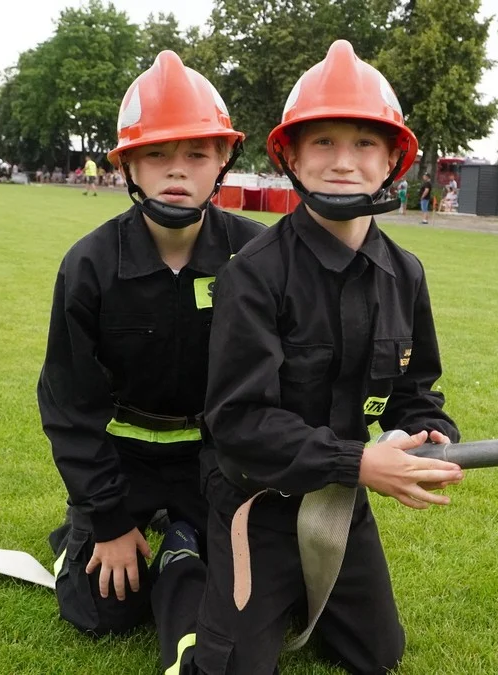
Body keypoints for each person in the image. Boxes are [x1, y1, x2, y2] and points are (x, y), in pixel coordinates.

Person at [196, 39, 464, 674]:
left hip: (340, 501)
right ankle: (189, 547)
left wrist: (432, 433)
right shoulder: (252, 276)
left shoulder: (407, 274)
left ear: (394, 157)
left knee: (378, 655)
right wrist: (358, 461)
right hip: (254, 504)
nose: (344, 161)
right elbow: (238, 423)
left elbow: (415, 389)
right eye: (323, 142)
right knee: (234, 668)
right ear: (289, 154)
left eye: (365, 143)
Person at [38, 51, 264, 674]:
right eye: (158, 154)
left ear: (223, 161)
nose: (176, 171)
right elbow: (69, 404)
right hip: (124, 463)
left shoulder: (257, 256)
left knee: (255, 604)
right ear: (128, 164)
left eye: (196, 154)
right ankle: (77, 531)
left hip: (219, 464)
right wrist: (107, 520)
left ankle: (186, 539)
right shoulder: (88, 266)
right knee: (98, 610)